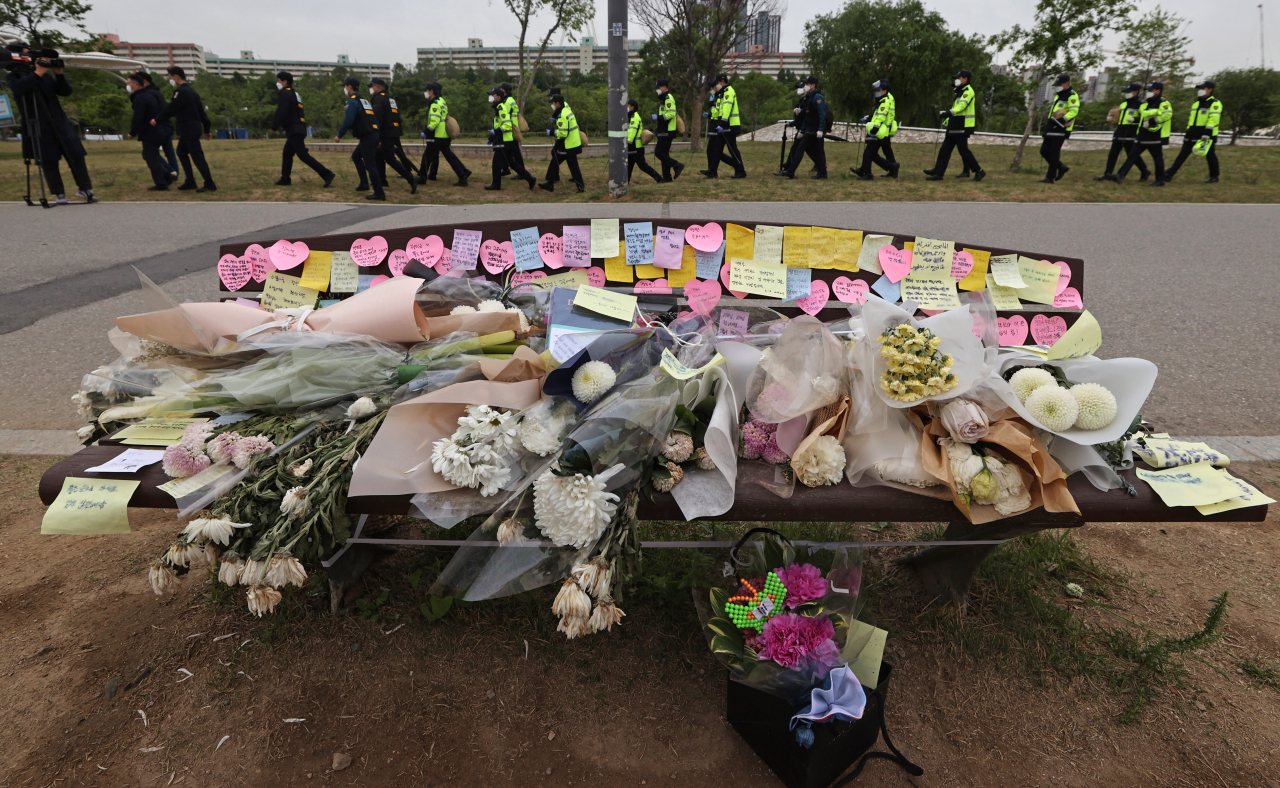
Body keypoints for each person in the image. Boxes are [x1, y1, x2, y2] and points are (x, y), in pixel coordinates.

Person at [4, 44, 96, 203]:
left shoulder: (45, 75)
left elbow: (65, 92)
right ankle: (59, 193)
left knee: (76, 155)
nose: (34, 58)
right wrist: (38, 73)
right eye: (28, 54)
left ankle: (85, 188)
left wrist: (59, 74)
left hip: (58, 120)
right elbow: (19, 88)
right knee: (48, 159)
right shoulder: (14, 76)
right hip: (37, 122)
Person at [334, 76, 399, 200]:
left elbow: (348, 120)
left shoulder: (352, 102)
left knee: (370, 165)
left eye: (345, 87)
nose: (345, 89)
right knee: (356, 156)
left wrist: (339, 135)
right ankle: (364, 183)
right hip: (373, 135)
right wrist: (378, 136)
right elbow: (374, 120)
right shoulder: (364, 101)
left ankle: (379, 193)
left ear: (350, 87)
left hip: (367, 137)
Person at [154, 66, 215, 192]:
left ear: (176, 77)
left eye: (170, 77)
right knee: (181, 152)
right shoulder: (193, 92)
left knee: (197, 156)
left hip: (189, 130)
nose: (170, 79)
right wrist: (207, 129)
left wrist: (157, 119)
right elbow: (202, 113)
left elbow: (172, 108)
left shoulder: (181, 92)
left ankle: (209, 183)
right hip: (193, 129)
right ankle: (190, 181)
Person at [271, 71, 335, 187]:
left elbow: (281, 111)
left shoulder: (285, 93)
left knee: (303, 156)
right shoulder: (294, 93)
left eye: (279, 80)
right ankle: (285, 178)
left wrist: (274, 127)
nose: (278, 83)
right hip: (298, 127)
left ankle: (327, 174)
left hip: (294, 129)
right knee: (287, 154)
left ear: (285, 82)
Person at [1105, 81, 1172, 186]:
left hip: (1155, 134)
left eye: (1151, 90)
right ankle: (1120, 175)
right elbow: (1143, 116)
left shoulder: (1163, 103)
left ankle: (1160, 180)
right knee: (1132, 155)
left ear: (1158, 91)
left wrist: (1151, 122)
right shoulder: (1147, 102)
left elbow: (1167, 115)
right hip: (1142, 133)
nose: (1148, 92)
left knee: (1157, 158)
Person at [925, 70, 984, 181]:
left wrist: (948, 113)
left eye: (959, 78)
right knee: (945, 150)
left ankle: (979, 171)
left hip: (962, 125)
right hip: (955, 124)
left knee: (964, 151)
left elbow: (961, 107)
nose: (957, 80)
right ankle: (938, 172)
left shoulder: (968, 91)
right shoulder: (960, 91)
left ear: (965, 79)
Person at [1164, 80, 1222, 184]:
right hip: (1192, 132)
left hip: (1206, 133)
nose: (1200, 90)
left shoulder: (1214, 103)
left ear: (1210, 90)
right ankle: (1169, 174)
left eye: (1203, 88)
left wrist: (1207, 132)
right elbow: (1192, 119)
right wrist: (1189, 130)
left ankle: (1214, 176)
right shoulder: (1196, 104)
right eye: (1200, 89)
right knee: (1182, 154)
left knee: (1210, 155)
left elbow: (1214, 118)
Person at [126, 72, 174, 191]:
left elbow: (138, 116)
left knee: (152, 158)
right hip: (157, 130)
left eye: (129, 84)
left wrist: (132, 132)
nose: (128, 86)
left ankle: (162, 183)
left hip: (150, 132)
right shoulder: (149, 95)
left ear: (136, 85)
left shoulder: (139, 98)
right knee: (149, 155)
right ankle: (166, 175)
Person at [368, 78, 418, 189]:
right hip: (393, 132)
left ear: (377, 86)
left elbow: (376, 117)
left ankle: (410, 178)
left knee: (389, 158)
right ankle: (382, 180)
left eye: (372, 86)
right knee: (379, 156)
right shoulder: (390, 99)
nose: (371, 89)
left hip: (385, 133)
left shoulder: (379, 99)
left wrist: (376, 134)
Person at [1095, 83, 1150, 182]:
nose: (1126, 94)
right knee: (1113, 154)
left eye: (1128, 92)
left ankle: (1144, 171)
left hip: (1131, 133)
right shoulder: (1123, 104)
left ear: (1136, 92)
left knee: (1132, 156)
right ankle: (1108, 174)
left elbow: (1145, 117)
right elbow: (1119, 117)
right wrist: (1111, 118)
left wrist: (1135, 119)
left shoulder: (1141, 104)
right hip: (1120, 131)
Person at [485, 86, 536, 191]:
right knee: (512, 163)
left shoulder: (501, 108)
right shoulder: (498, 107)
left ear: (498, 97)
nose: (491, 97)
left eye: (492, 95)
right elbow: (498, 124)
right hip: (504, 140)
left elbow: (507, 125)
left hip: (504, 140)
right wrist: (491, 137)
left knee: (496, 163)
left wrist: (496, 132)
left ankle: (496, 184)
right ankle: (530, 178)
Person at [421, 81, 471, 186]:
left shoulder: (434, 104)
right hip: (444, 135)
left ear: (431, 92)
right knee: (450, 157)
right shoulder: (441, 101)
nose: (425, 92)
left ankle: (422, 178)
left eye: (426, 90)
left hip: (437, 136)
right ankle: (463, 176)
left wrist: (426, 131)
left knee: (427, 157)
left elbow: (435, 121)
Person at [776, 76, 826, 179]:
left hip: (814, 128)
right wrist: (802, 125)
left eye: (807, 84)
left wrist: (820, 129)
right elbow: (807, 116)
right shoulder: (808, 98)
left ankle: (791, 171)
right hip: (809, 127)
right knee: (814, 152)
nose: (806, 86)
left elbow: (821, 115)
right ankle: (822, 173)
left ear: (813, 85)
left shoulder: (818, 97)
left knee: (802, 148)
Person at [851, 79, 899, 179]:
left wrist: (874, 128)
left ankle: (870, 172)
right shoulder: (885, 99)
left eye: (878, 91)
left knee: (870, 153)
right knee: (880, 152)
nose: (876, 93)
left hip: (880, 130)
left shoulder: (885, 101)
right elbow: (878, 115)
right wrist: (869, 118)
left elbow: (881, 116)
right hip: (883, 130)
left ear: (884, 91)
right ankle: (890, 169)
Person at [702, 73, 746, 179]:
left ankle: (741, 171)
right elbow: (721, 110)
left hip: (730, 125)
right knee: (717, 149)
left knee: (732, 149)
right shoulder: (724, 92)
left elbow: (727, 109)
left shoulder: (728, 92)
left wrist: (721, 123)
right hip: (725, 125)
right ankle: (712, 171)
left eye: (717, 83)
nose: (716, 85)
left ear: (722, 82)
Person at [138, 72, 179, 182]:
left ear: (144, 81)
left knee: (149, 153)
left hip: (158, 127)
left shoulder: (148, 94)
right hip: (167, 125)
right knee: (169, 152)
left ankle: (170, 171)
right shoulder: (157, 92)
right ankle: (175, 174)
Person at [1038, 73, 1079, 184]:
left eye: (1060, 84)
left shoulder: (1072, 95)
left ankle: (1050, 177)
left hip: (1061, 127)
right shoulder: (1059, 95)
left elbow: (1074, 111)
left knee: (1054, 153)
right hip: (1052, 125)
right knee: (1044, 151)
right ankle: (1061, 167)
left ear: (1066, 83)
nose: (1058, 86)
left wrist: (1061, 121)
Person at [539, 93, 584, 192]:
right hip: (572, 143)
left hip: (567, 145)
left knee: (569, 165)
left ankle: (580, 188)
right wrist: (556, 122)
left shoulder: (562, 115)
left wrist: (551, 132)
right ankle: (550, 183)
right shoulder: (567, 111)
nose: (553, 105)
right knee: (557, 163)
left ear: (558, 103)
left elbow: (563, 133)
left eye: (553, 103)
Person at [652, 79, 684, 181]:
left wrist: (658, 117)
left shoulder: (668, 98)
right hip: (663, 130)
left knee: (659, 152)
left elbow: (671, 114)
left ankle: (677, 165)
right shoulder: (663, 99)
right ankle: (667, 177)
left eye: (658, 88)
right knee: (664, 154)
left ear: (664, 87)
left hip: (667, 130)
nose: (657, 90)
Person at [625, 99, 661, 183]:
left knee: (643, 165)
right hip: (633, 147)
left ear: (632, 107)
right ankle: (625, 182)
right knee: (628, 166)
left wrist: (628, 142)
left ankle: (659, 178)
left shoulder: (634, 117)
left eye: (627, 106)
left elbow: (632, 131)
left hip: (636, 147)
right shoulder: (631, 117)